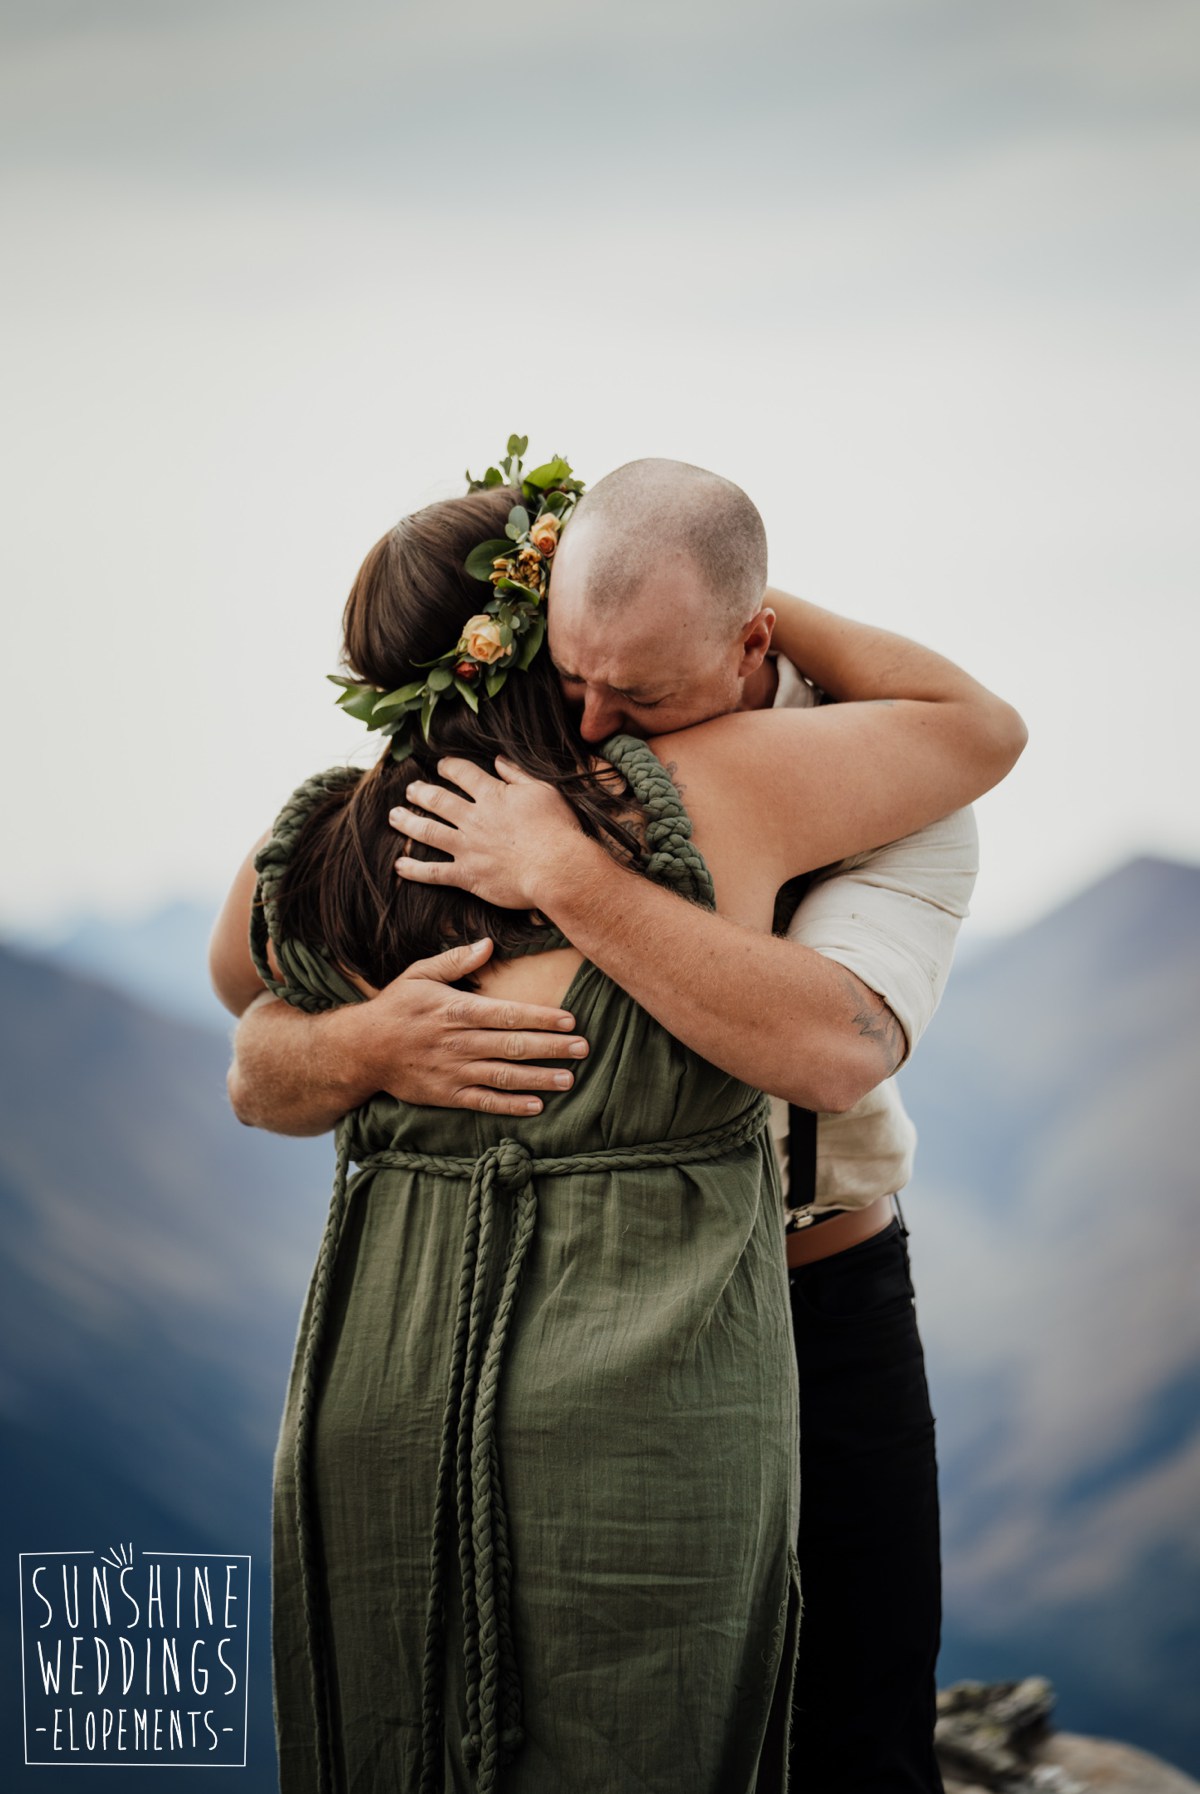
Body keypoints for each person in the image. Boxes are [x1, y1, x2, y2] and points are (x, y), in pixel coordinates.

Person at [210, 453, 1025, 1793]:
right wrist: (369, 1037)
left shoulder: (863, 777)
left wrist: (571, 877)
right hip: (591, 1317)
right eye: (570, 674)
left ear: (748, 634)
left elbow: (832, 1045)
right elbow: (248, 1018)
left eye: (634, 688)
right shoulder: (487, 789)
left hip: (813, 1292)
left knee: (853, 1723)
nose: (590, 726)